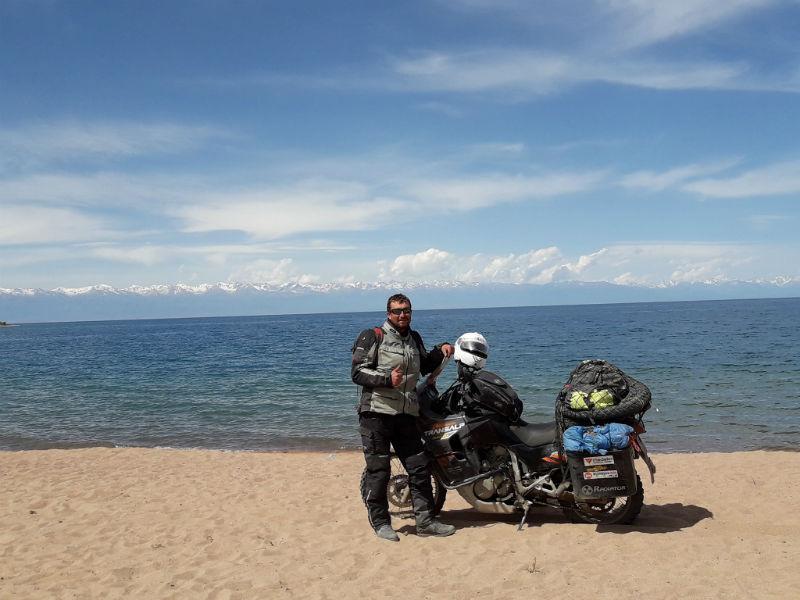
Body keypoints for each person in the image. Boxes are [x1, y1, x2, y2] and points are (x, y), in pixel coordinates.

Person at [351, 293, 456, 541]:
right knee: (379, 471)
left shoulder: (414, 338)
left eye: (406, 310)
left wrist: (441, 349)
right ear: (388, 313)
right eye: (397, 311)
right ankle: (381, 523)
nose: (402, 315)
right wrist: (387, 379)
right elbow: (357, 372)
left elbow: (425, 366)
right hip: (376, 415)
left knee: (420, 468)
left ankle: (426, 522)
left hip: (406, 414)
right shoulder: (372, 336)